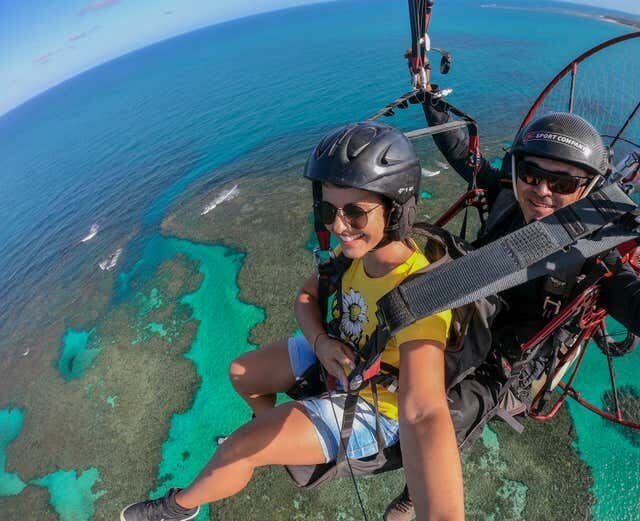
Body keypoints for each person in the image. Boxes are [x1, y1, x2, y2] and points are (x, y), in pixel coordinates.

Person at [382, 90, 640, 520]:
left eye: (564, 184)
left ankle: (412, 497)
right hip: (472, 312)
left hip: (517, 361)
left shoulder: (593, 255)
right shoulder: (503, 195)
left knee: (453, 410)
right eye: (532, 174)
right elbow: (463, 151)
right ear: (516, 170)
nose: (542, 192)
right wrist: (429, 95)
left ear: (589, 189)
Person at [120, 121, 465, 521]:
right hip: (340, 350)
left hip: (380, 403)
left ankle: (178, 507)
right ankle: (274, 440)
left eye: (355, 213)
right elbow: (305, 297)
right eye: (328, 211)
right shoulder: (355, 260)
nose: (338, 227)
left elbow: (424, 413)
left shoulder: (421, 292)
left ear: (396, 209)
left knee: (238, 449)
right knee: (241, 373)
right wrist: (320, 342)